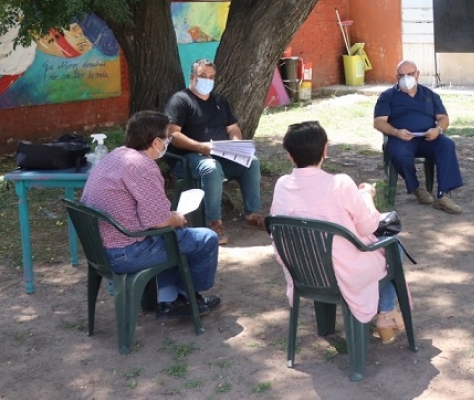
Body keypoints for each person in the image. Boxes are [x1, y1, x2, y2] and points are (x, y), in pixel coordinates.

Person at [270, 121, 407, 344]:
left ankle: (344, 324)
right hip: (344, 272)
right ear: (325, 150)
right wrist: (367, 197)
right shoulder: (341, 183)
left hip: (304, 270)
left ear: (290, 156)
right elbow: (368, 227)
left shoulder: (282, 184)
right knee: (394, 245)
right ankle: (386, 314)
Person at [80, 110, 221, 319]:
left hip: (100, 248)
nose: (168, 142)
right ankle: (188, 295)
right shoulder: (143, 166)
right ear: (156, 142)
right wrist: (176, 217)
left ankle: (168, 299)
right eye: (167, 138)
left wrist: (169, 218)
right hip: (125, 252)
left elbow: (148, 215)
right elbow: (158, 221)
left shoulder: (115, 155)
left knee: (170, 237)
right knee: (206, 238)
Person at [164, 59, 265, 245]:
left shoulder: (220, 101)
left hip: (220, 154)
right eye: (202, 76)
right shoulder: (180, 100)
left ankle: (252, 214)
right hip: (187, 158)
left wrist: (236, 144)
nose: (207, 81)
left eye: (211, 77)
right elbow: (172, 134)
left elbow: (233, 128)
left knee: (252, 162)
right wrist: (199, 147)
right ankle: (214, 223)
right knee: (211, 167)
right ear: (192, 78)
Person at [374, 60, 464, 214]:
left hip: (428, 138)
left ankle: (443, 195)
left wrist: (437, 129)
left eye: (410, 74)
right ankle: (416, 187)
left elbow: (443, 118)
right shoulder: (387, 96)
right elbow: (378, 122)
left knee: (447, 145)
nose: (406, 78)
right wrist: (396, 132)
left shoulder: (430, 95)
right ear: (396, 77)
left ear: (417, 74)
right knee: (398, 153)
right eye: (402, 75)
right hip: (401, 138)